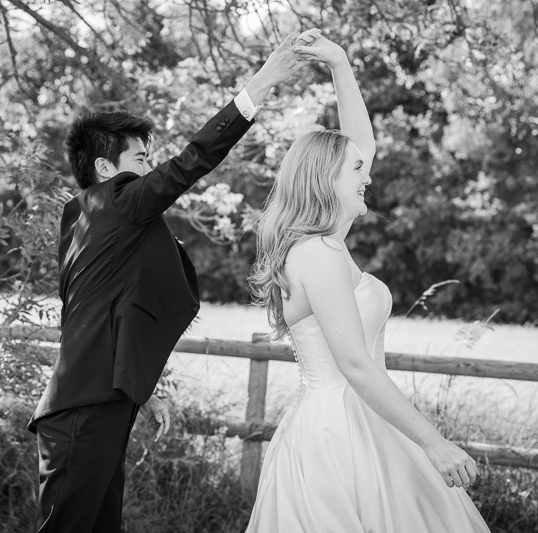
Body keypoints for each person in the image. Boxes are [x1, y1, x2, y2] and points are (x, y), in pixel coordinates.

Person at [27, 31, 315, 533]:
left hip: (98, 402)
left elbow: (104, 316)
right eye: (140, 159)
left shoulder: (88, 221)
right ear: (105, 169)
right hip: (81, 411)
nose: (150, 169)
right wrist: (265, 80)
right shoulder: (116, 202)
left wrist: (140, 388)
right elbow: (192, 161)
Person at [246, 31, 490, 532]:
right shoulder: (317, 254)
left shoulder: (327, 242)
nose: (368, 177)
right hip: (337, 433)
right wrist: (434, 443)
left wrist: (340, 63)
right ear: (326, 180)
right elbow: (355, 364)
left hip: (369, 417)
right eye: (357, 170)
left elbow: (364, 144)